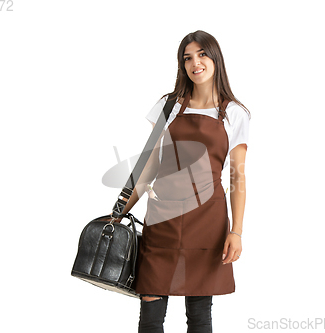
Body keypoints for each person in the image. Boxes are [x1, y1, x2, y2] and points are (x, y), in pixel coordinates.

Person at [120, 30, 250, 333]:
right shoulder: (169, 106)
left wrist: (237, 232)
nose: (196, 62)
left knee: (200, 316)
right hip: (162, 218)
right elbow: (147, 165)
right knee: (150, 316)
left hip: (208, 222)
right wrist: (118, 211)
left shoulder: (235, 113)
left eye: (202, 54)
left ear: (215, 57)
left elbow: (237, 178)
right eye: (187, 57)